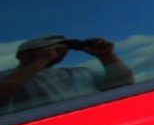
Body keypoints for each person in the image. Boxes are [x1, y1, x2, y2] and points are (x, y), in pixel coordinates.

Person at [0, 35, 134, 116]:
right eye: (51, 47)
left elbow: (124, 84)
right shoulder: (6, 77)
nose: (59, 52)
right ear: (22, 54)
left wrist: (107, 56)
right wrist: (40, 60)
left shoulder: (79, 73)